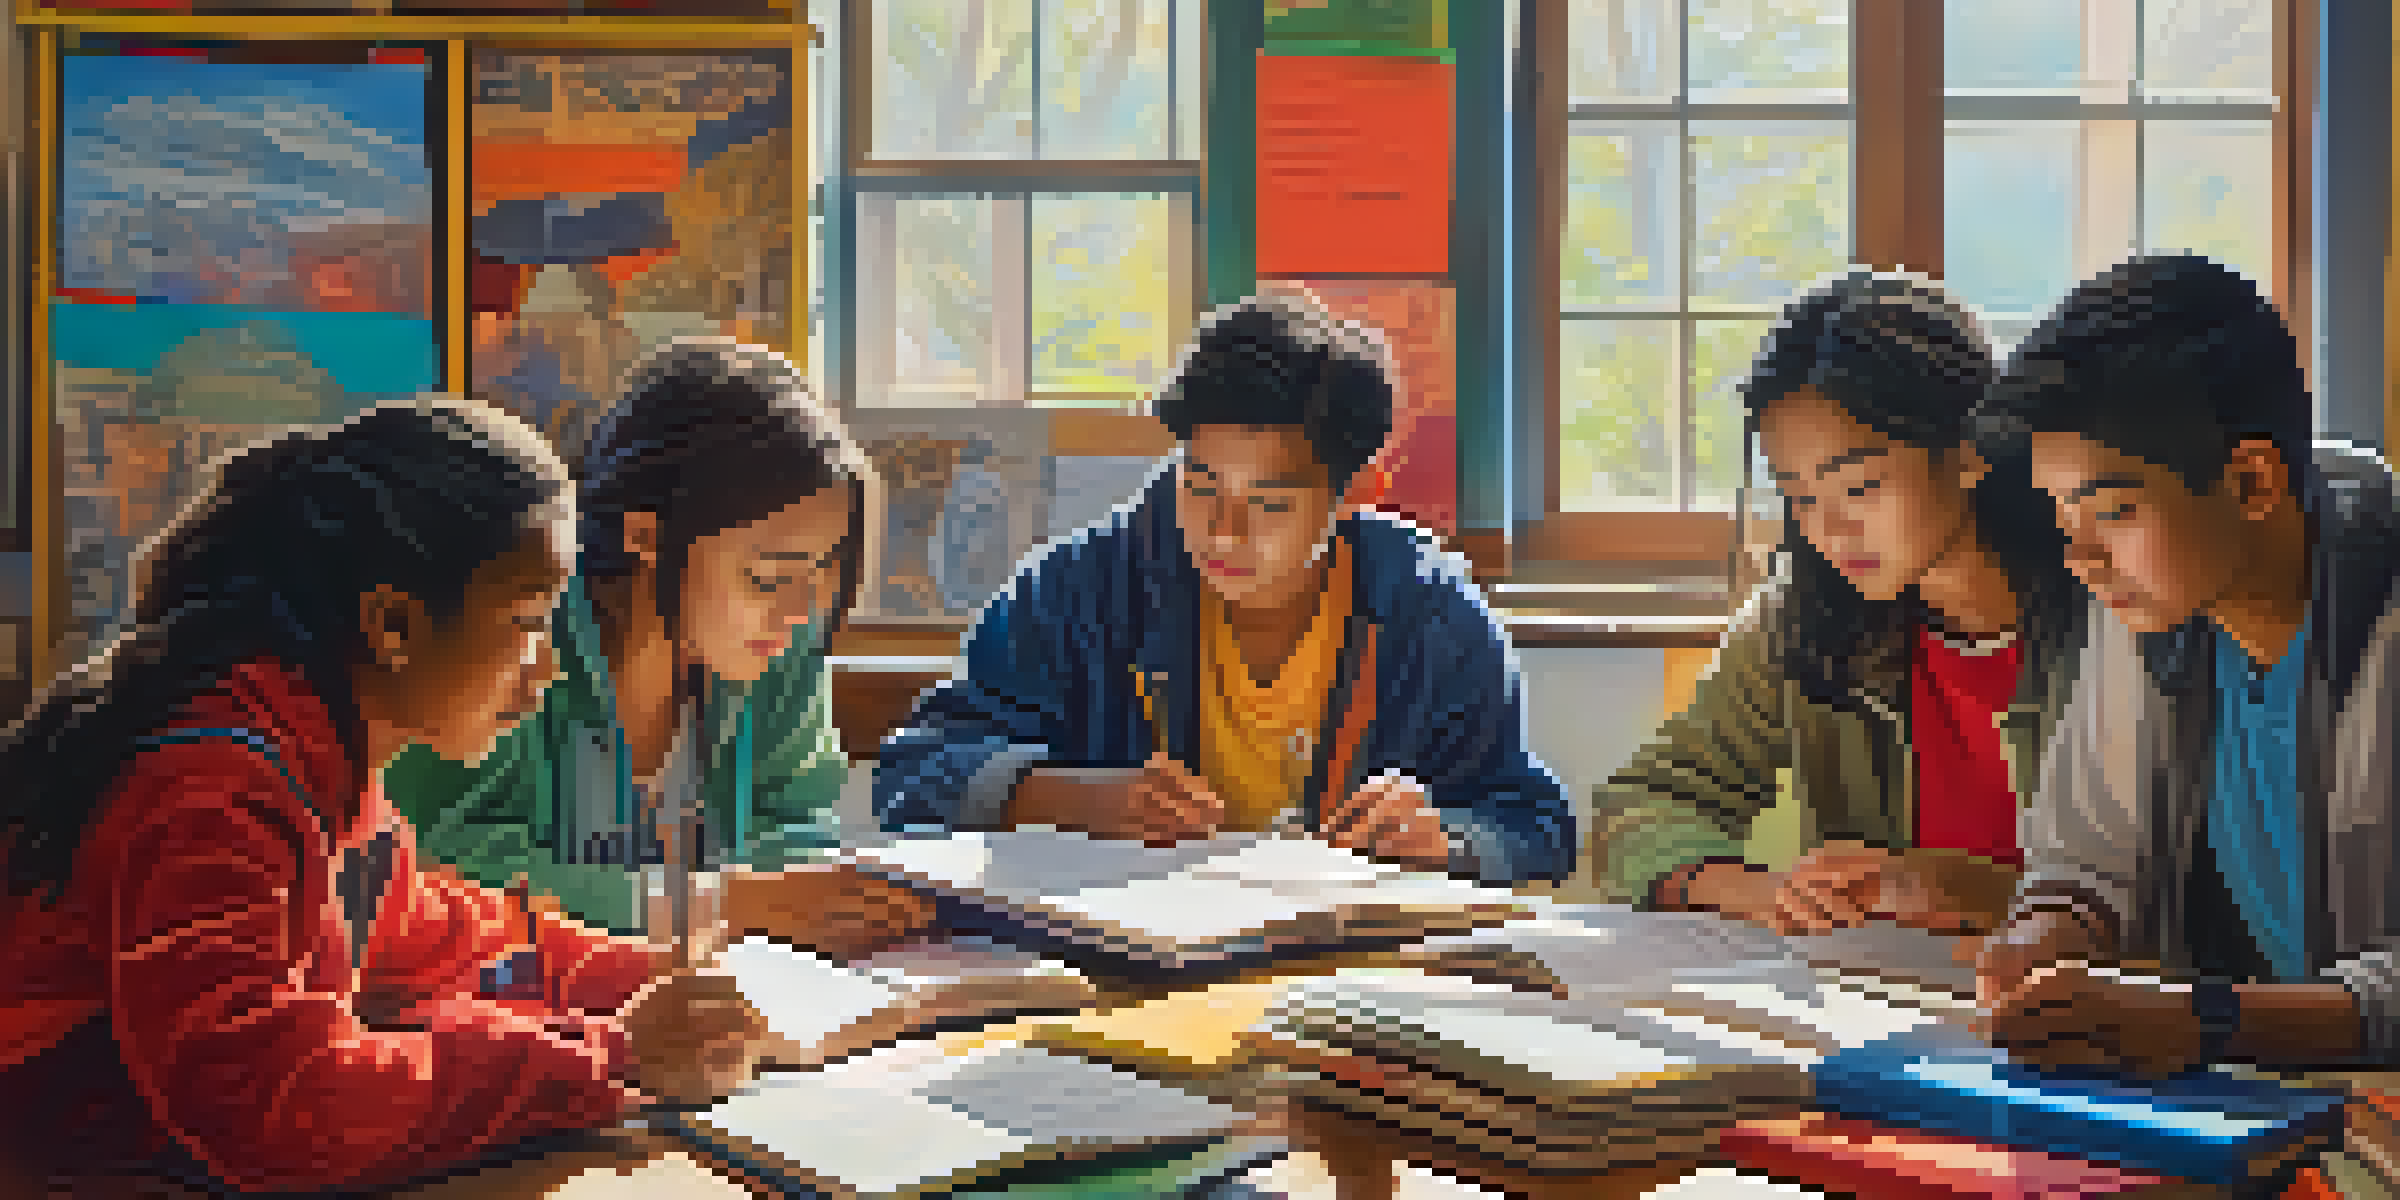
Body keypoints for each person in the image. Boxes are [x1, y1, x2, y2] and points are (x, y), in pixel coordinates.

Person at [0, 400, 776, 1194]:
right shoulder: (211, 793)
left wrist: (642, 977)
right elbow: (280, 1108)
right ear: (394, 626)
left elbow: (455, 943)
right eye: (526, 623)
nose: (546, 671)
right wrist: (615, 1057)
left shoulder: (320, 768)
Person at [873, 292, 1574, 884]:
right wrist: (1069, 799)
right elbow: (912, 773)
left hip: (1354, 975)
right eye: (1201, 486)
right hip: (1128, 965)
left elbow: (1537, 825)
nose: (1224, 532)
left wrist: (1445, 839)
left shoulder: (1429, 615)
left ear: (1352, 491)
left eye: (1269, 503)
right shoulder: (1079, 591)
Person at [1972, 254, 2400, 1075]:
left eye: (2113, 511)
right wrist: (2049, 929)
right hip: (2262, 1095)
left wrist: (2208, 1023)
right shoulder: (2150, 607)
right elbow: (2085, 859)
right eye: (2062, 515)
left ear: (2252, 482)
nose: (2081, 558)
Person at [382, 338, 928, 954]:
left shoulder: (776, 644)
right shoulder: (512, 636)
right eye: (769, 576)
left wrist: (809, 904)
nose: (802, 609)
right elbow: (445, 866)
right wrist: (720, 903)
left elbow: (796, 821)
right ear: (645, 535)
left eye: (824, 568)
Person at [1593, 271, 2089, 935]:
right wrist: (1759, 892)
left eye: (1858, 487)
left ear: (1970, 451)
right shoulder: (1800, 621)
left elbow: (2183, 903)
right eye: (1799, 496)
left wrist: (1981, 892)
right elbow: (1635, 809)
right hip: (1887, 991)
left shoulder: (2114, 612)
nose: (1827, 529)